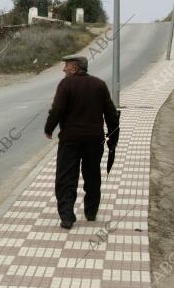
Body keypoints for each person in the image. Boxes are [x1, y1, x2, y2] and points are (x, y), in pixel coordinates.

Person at [44, 55, 119, 230]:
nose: (63, 70)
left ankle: (67, 217)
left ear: (76, 68)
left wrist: (49, 128)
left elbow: (57, 110)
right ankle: (91, 212)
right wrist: (112, 137)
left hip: (70, 139)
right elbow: (111, 113)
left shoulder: (66, 85)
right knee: (92, 175)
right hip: (94, 139)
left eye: (66, 66)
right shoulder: (100, 84)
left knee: (66, 177)